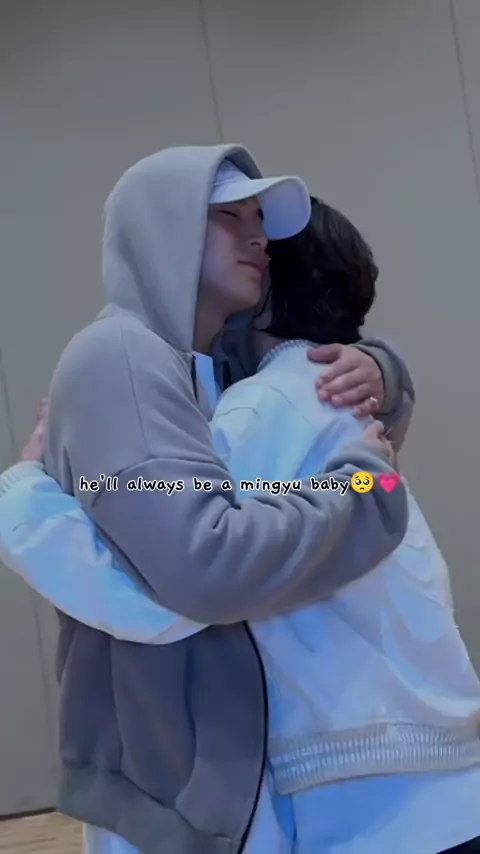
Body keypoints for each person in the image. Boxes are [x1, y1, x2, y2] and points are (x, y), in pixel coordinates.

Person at [2, 196, 479, 854]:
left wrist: (29, 499)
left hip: (373, 793)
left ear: (265, 289)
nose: (250, 241)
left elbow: (185, 577)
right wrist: (387, 386)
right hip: (434, 766)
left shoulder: (258, 411)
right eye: (233, 221)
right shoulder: (340, 398)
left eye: (259, 233)